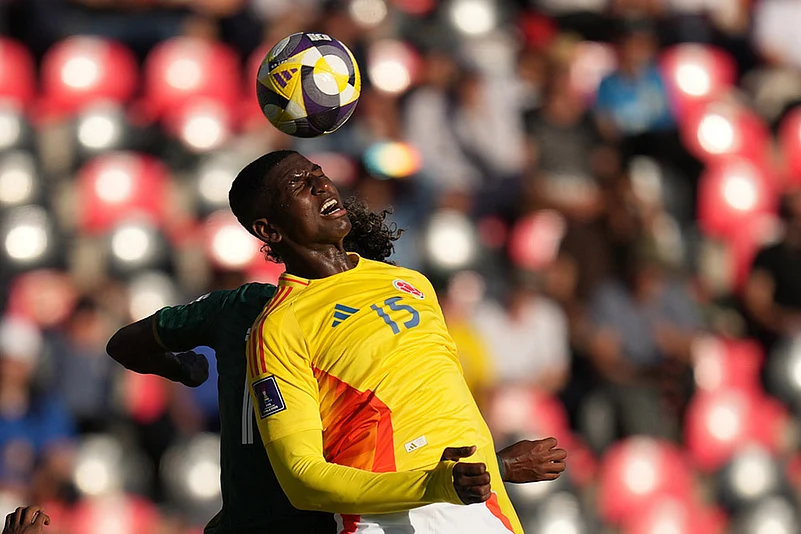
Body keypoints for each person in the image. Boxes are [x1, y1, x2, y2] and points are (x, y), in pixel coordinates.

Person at [107, 197, 567, 533]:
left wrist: (183, 369)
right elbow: (373, 472)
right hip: (307, 521)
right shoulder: (302, 325)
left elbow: (124, 344)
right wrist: (499, 467)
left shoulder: (236, 306)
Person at [232, 150, 524, 533]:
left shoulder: (411, 282)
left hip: (483, 512)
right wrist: (431, 485)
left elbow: (457, 414)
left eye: (319, 174)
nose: (322, 185)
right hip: (386, 522)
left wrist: (496, 470)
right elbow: (301, 479)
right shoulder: (279, 327)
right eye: (298, 184)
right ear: (269, 230)